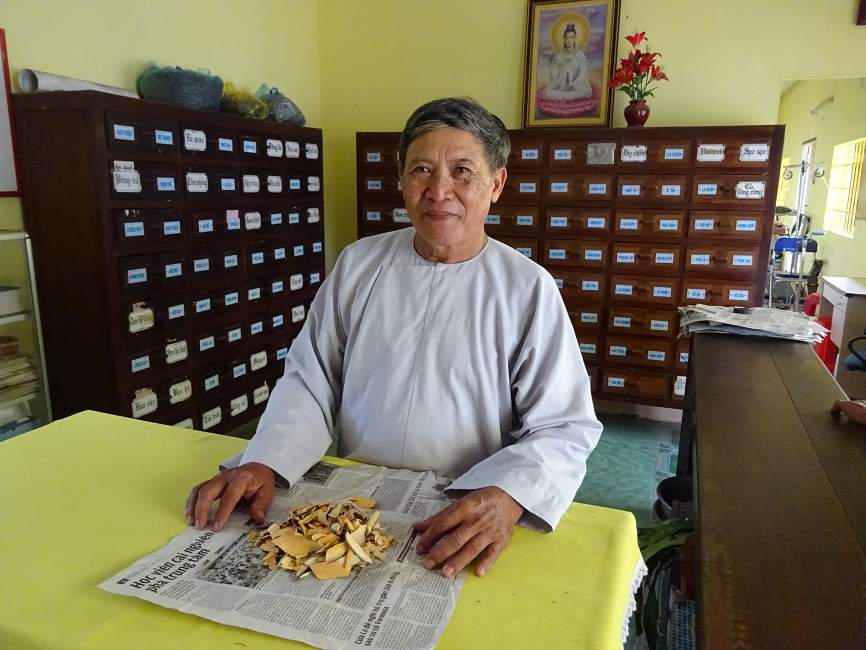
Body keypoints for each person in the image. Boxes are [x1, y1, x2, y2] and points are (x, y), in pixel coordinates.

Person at [186, 97, 602, 579]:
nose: (439, 190)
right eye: (421, 169)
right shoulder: (360, 265)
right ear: (401, 178)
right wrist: (265, 461)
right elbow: (311, 380)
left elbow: (564, 425)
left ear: (497, 184)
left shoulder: (527, 288)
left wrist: (509, 495)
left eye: (463, 171)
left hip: (460, 508)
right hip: (355, 497)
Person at [542, 23, 593, 100]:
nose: (569, 40)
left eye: (572, 37)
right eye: (567, 38)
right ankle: (566, 98)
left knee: (585, 91)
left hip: (576, 87)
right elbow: (554, 69)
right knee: (547, 93)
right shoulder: (559, 55)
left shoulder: (579, 54)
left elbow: (583, 72)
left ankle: (567, 98)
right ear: (564, 39)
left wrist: (575, 83)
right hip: (560, 86)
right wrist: (555, 74)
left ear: (575, 39)